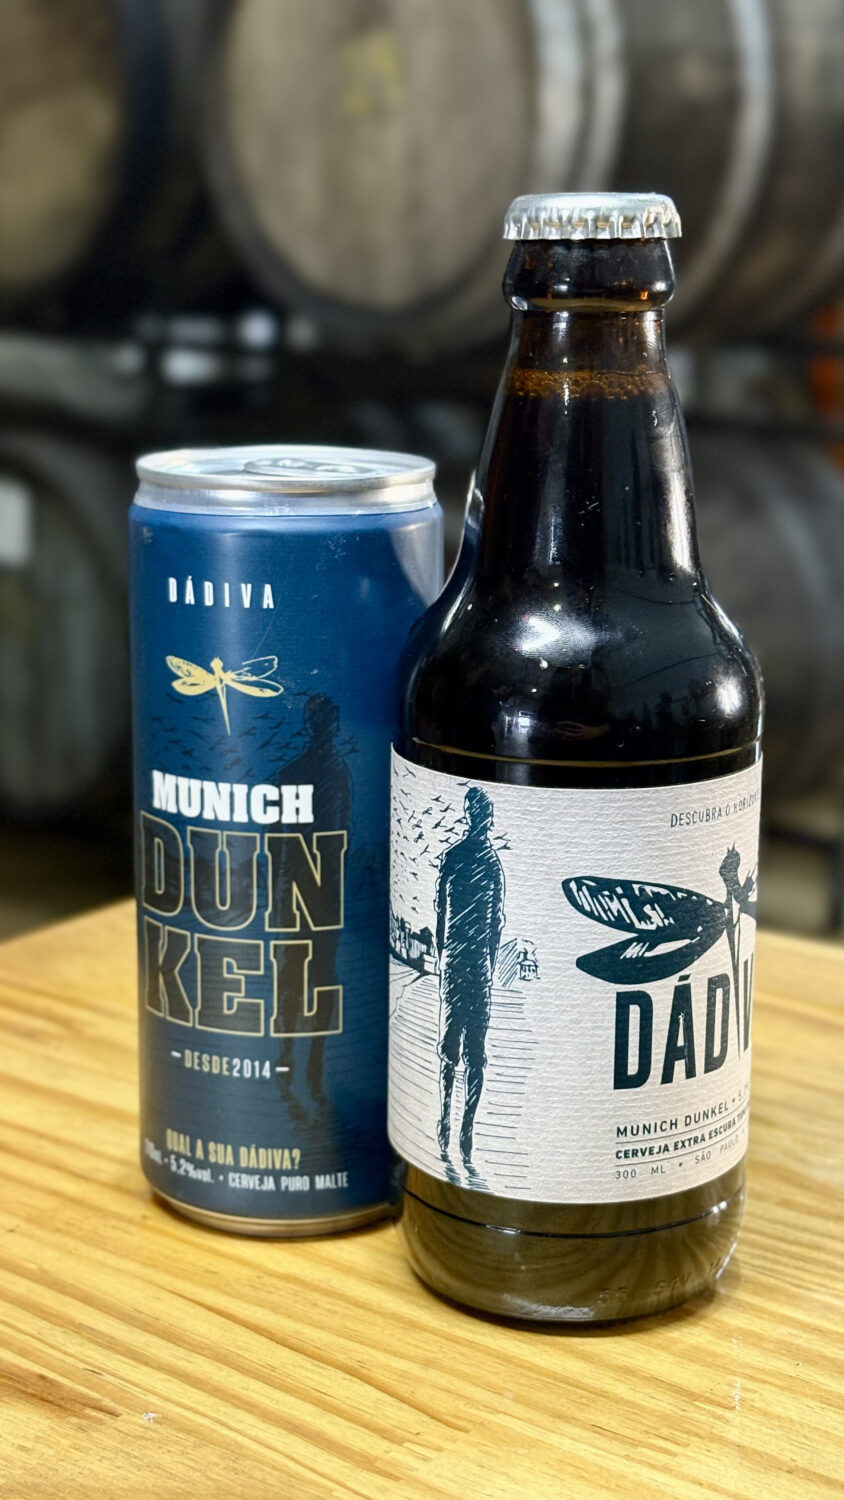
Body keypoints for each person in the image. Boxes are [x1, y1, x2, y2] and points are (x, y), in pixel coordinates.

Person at [275, 694, 352, 1115]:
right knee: (302, 979)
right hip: (308, 892)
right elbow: (275, 839)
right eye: (323, 721)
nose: (329, 728)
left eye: (331, 721)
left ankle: (306, 1071)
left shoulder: (332, 773)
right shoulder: (312, 773)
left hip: (318, 893)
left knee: (315, 981)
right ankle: (292, 1065)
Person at [435, 786, 505, 1173]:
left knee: (454, 1051)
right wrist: (487, 965)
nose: (481, 821)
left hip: (458, 966)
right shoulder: (492, 864)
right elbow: (496, 924)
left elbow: (441, 913)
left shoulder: (454, 858)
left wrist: (443, 958)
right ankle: (462, 1129)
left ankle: (450, 1123)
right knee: (472, 1054)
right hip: (475, 969)